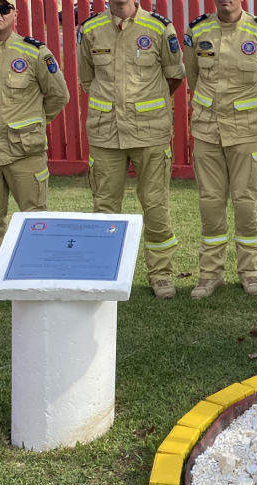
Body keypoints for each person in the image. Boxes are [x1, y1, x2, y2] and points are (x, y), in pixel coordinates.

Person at [77, 0, 185, 299]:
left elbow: (174, 74)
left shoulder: (159, 28)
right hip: (105, 134)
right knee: (105, 208)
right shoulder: (90, 29)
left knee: (155, 205)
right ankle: (103, 275)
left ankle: (161, 275)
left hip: (149, 132)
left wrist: (144, 106)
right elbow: (87, 80)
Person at [184, 0, 257, 299]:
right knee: (210, 202)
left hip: (247, 132)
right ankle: (210, 274)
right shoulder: (198, 30)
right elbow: (193, 76)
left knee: (245, 201)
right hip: (207, 130)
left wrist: (255, 113)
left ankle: (250, 271)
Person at [0, 0, 68, 245]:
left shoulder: (34, 52)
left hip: (24, 151)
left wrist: (33, 124)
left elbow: (59, 95)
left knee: (34, 221)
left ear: (14, 13)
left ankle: (33, 278)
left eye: (3, 9)